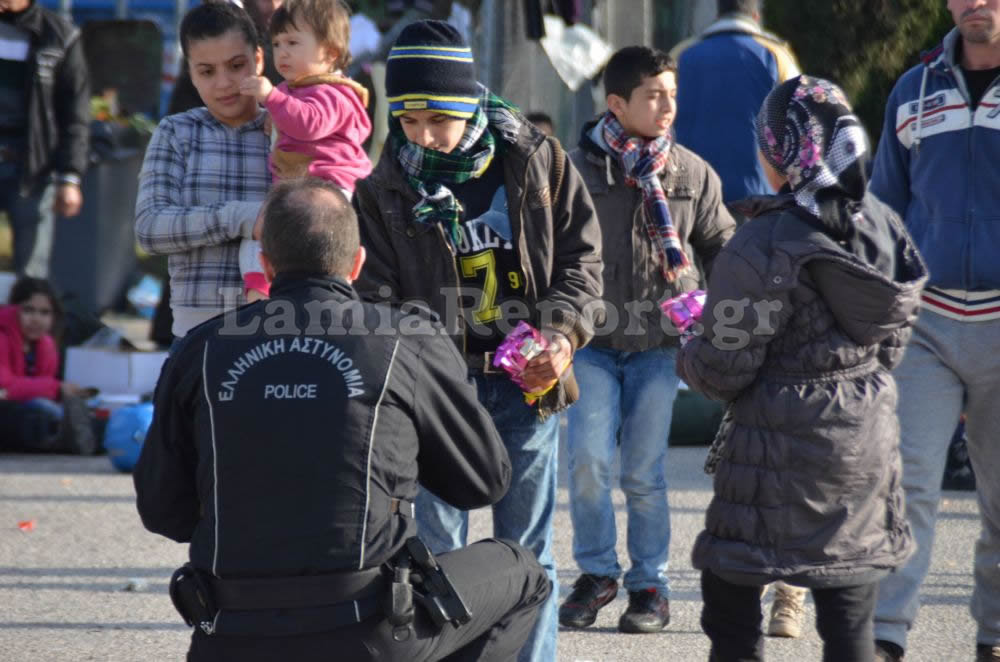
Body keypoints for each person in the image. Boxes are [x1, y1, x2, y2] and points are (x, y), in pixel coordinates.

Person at [134, 176, 551, 662]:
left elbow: (164, 511)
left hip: (230, 634)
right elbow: (483, 482)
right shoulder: (405, 338)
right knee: (521, 571)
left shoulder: (199, 350)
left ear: (266, 266)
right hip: (366, 632)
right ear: (357, 263)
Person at [353, 20, 603, 662]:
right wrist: (418, 368)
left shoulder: (538, 159)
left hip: (530, 384)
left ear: (468, 104)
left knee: (528, 550)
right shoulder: (383, 188)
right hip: (438, 394)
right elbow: (375, 297)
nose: (422, 136)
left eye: (437, 118)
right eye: (408, 122)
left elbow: (583, 259)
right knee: (438, 555)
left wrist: (562, 333)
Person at [676, 75, 927, 662]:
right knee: (849, 619)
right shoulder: (883, 226)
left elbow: (721, 370)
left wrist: (689, 342)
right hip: (862, 445)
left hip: (770, 456)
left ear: (782, 152)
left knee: (731, 606)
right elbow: (892, 337)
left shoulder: (760, 243)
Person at [559, 46, 735, 635]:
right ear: (617, 103)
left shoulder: (690, 172)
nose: (667, 106)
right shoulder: (574, 172)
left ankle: (649, 585)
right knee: (586, 462)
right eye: (654, 95)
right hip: (590, 344)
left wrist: (712, 306)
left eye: (672, 94)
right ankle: (596, 574)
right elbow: (549, 252)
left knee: (643, 473)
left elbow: (725, 251)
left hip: (661, 348)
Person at [868, 1, 1000, 660]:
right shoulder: (912, 88)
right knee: (908, 484)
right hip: (928, 322)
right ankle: (887, 637)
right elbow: (884, 207)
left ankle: (995, 636)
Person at [135, 2, 271, 340]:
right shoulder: (176, 133)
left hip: (278, 326)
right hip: (197, 334)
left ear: (258, 59)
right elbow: (150, 229)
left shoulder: (289, 130)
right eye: (207, 71)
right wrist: (242, 217)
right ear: (190, 74)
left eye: (236, 66)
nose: (223, 83)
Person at [237, 0, 372, 300]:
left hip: (330, 191)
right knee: (262, 236)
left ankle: (333, 295)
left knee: (322, 249)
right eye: (277, 43)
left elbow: (311, 123)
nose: (282, 52)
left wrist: (272, 97)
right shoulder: (294, 88)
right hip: (295, 188)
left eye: (293, 42)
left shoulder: (334, 92)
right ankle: (260, 291)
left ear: (330, 52)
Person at [673, 0, 799, 205]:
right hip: (759, 198)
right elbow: (801, 126)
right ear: (756, 16)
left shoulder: (681, 55)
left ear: (718, 15)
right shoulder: (777, 56)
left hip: (689, 195)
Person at [0, 0, 89, 278]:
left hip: (32, 168)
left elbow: (75, 112)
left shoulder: (60, 35)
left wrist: (70, 176)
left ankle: (24, 321)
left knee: (31, 276)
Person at [0, 277, 95, 454]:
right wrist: (57, 388)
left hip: (28, 408)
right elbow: (5, 386)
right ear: (13, 309)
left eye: (44, 313)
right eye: (28, 310)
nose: (36, 319)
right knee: (43, 412)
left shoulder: (46, 345)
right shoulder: (2, 338)